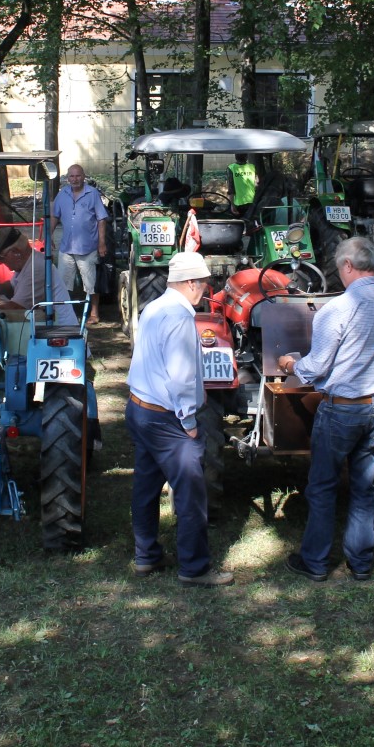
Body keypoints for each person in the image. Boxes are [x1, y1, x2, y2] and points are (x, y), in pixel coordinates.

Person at [276, 236, 374, 582]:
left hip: (343, 410)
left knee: (322, 486)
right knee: (364, 488)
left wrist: (290, 364)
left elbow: (316, 367)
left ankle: (316, 562)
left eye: (340, 269)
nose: (340, 275)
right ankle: (361, 563)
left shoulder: (337, 309)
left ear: (349, 266)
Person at [126, 250, 232, 587]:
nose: (204, 289)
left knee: (145, 485)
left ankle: (146, 556)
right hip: (166, 419)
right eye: (201, 282)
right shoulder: (180, 317)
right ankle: (194, 568)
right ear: (189, 283)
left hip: (139, 408)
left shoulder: (155, 307)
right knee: (190, 493)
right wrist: (189, 423)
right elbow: (183, 377)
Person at [47, 164, 108, 323]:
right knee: (62, 283)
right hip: (66, 248)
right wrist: (49, 236)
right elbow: (54, 216)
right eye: (72, 176)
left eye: (78, 176)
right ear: (68, 178)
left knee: (91, 284)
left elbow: (101, 219)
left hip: (88, 248)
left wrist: (102, 243)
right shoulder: (62, 194)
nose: (75, 179)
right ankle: (65, 315)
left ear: (84, 176)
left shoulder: (92, 193)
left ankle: (94, 313)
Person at [0, 227, 76, 325]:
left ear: (16, 252)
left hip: (59, 330)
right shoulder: (26, 263)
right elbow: (12, 287)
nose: (0, 262)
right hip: (46, 324)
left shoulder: (36, 267)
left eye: (1, 257)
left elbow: (15, 307)